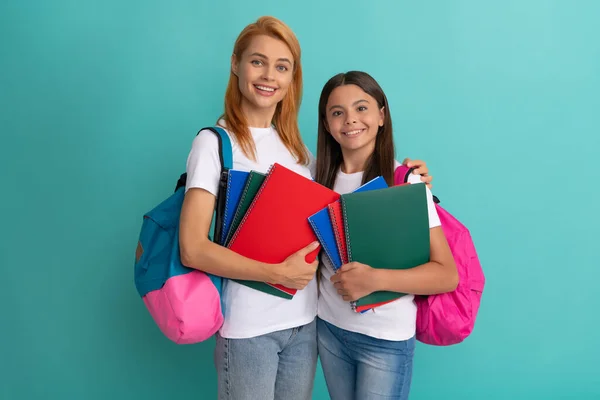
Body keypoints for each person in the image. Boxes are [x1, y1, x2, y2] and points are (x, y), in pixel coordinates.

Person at [178, 16, 434, 400]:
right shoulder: (215, 143)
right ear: (235, 64)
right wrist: (274, 272)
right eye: (257, 61)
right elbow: (192, 248)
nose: (269, 76)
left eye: (282, 66)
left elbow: (347, 203)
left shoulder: (300, 154)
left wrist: (414, 179)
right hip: (249, 329)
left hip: (307, 327)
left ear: (292, 78)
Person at [314, 71, 459, 400]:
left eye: (362, 108)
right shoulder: (316, 180)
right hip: (329, 330)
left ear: (381, 115)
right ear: (326, 124)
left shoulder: (405, 183)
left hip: (385, 339)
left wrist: (374, 279)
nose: (350, 120)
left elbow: (446, 274)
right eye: (337, 112)